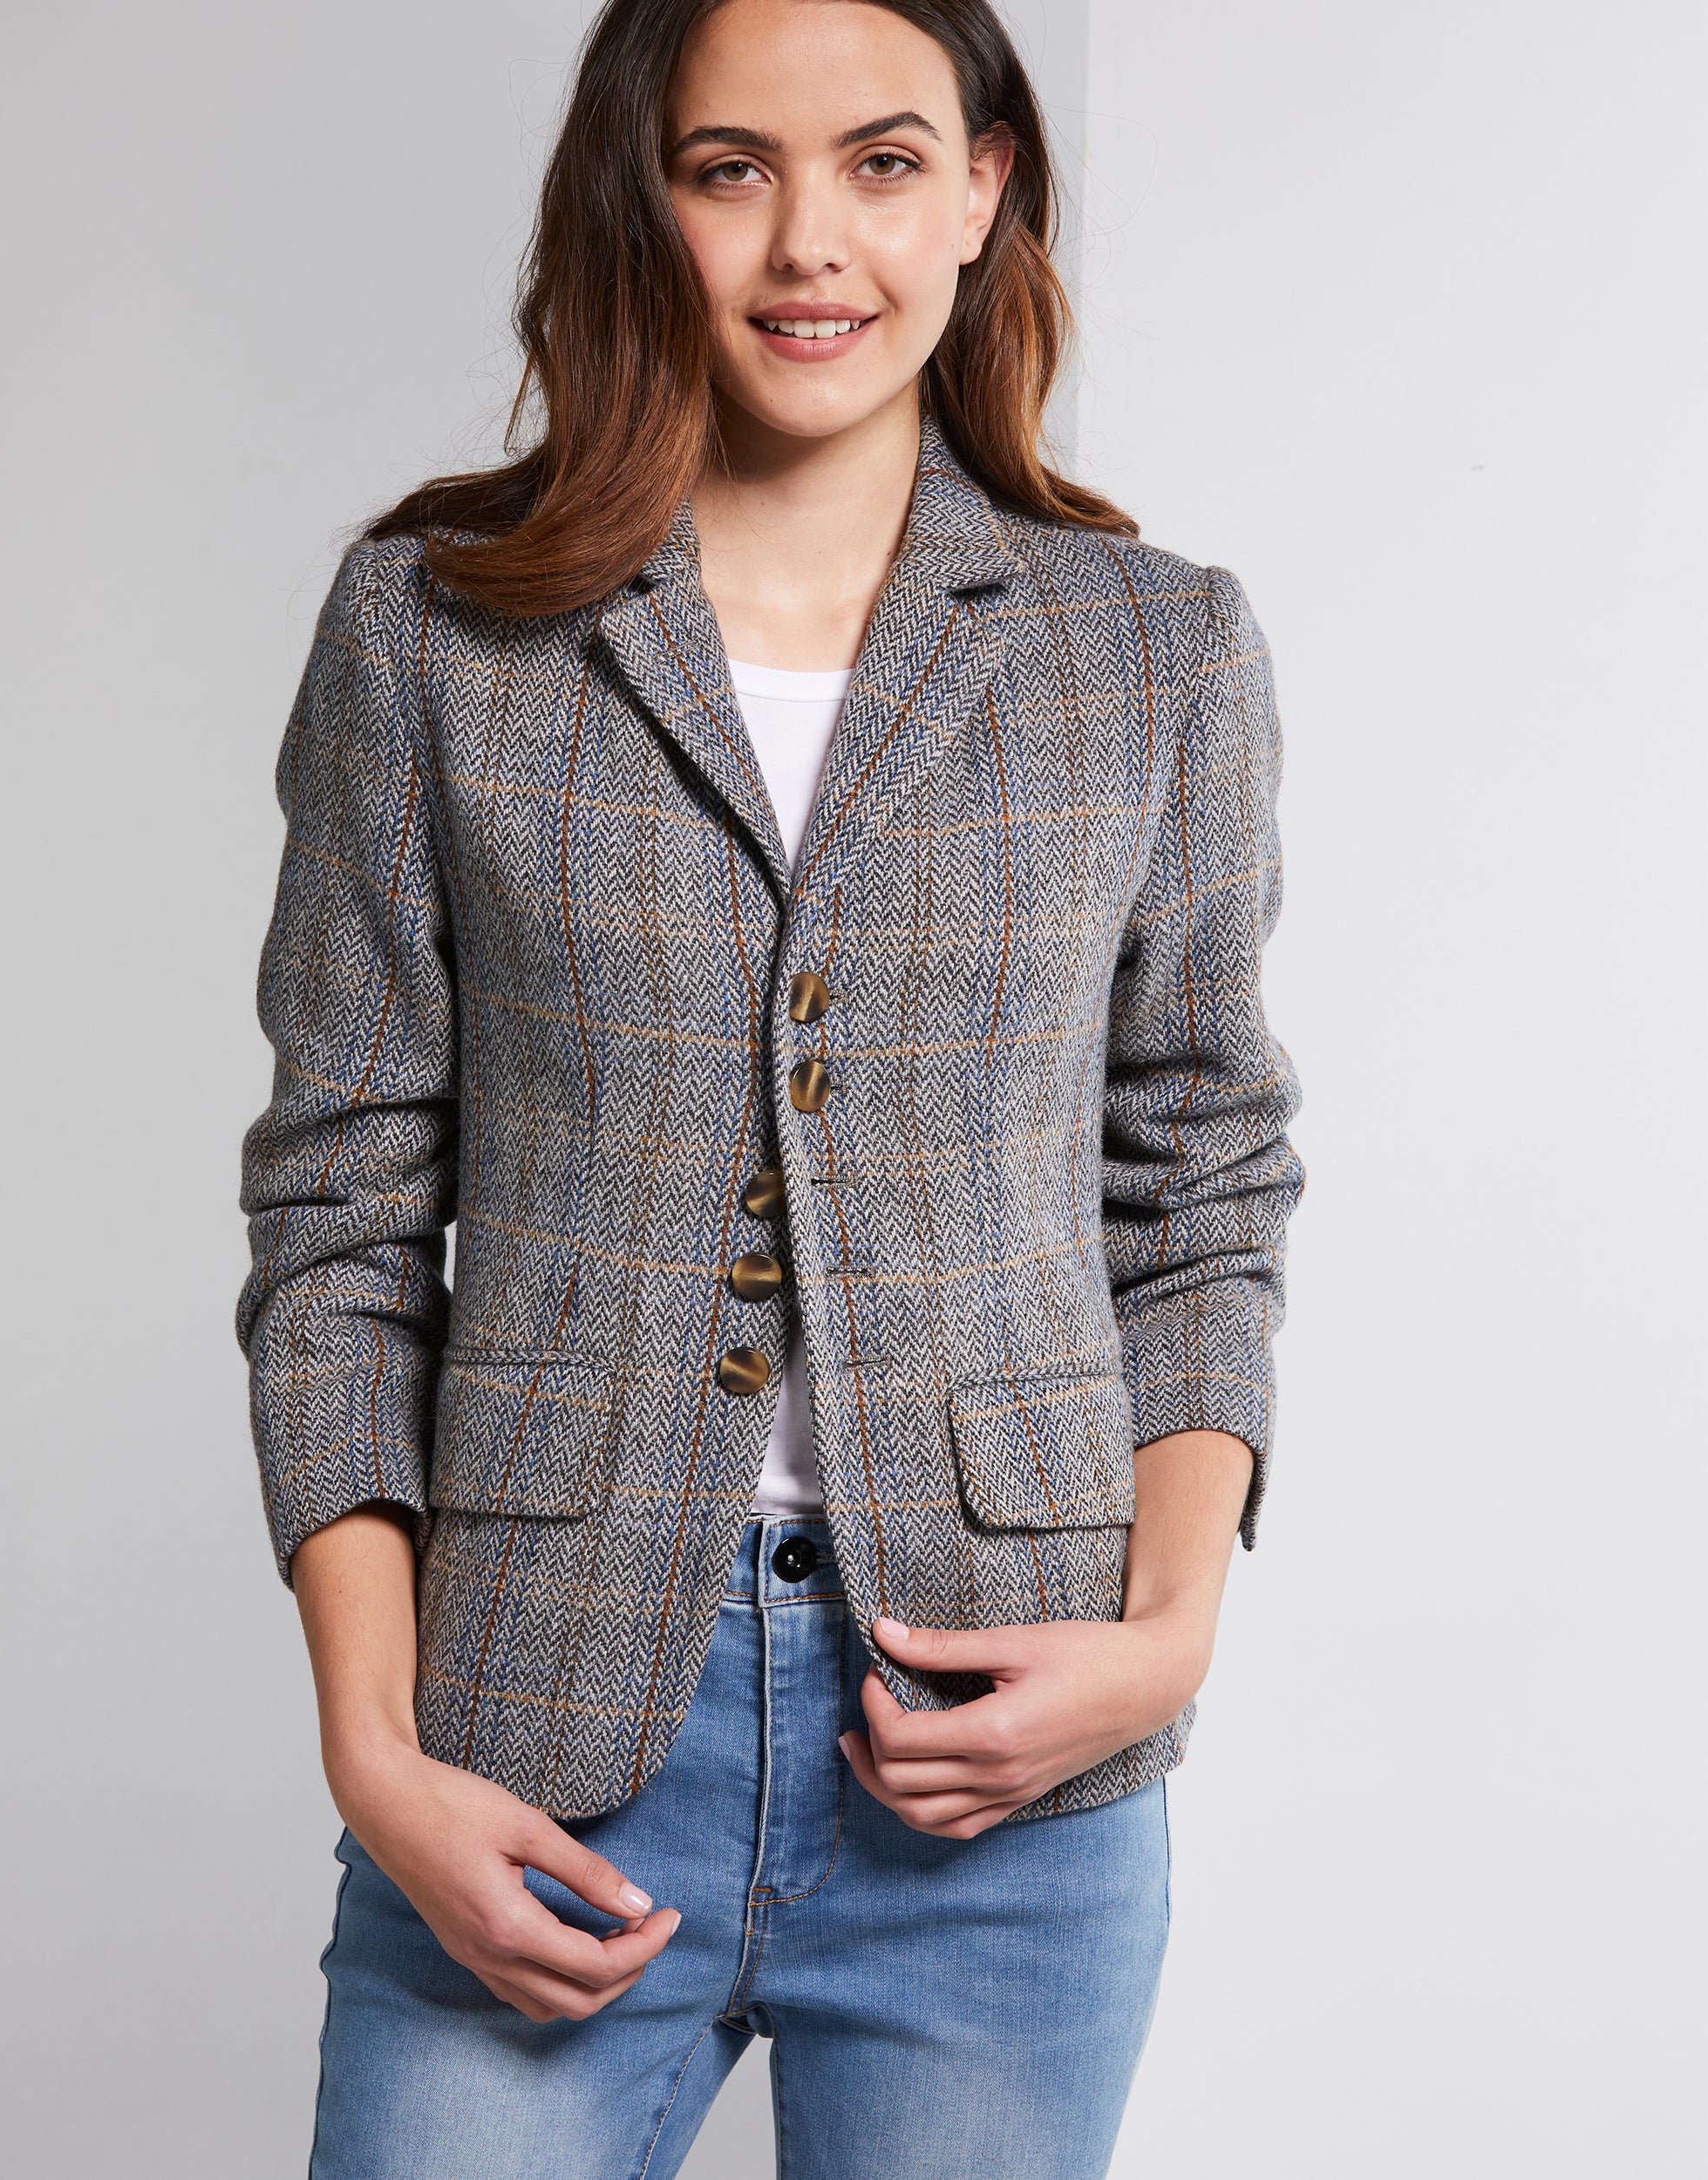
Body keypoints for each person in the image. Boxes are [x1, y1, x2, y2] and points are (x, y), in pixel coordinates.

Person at [235, 1, 1304, 2172]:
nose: (810, 240)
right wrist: (373, 1744)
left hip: (1004, 1754)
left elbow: (1199, 1183)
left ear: (983, 187)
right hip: (530, 1734)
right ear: (642, 197)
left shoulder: (1149, 649)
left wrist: (1164, 1636)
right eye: (731, 167)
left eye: (883, 163)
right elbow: (338, 1213)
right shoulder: (434, 634)